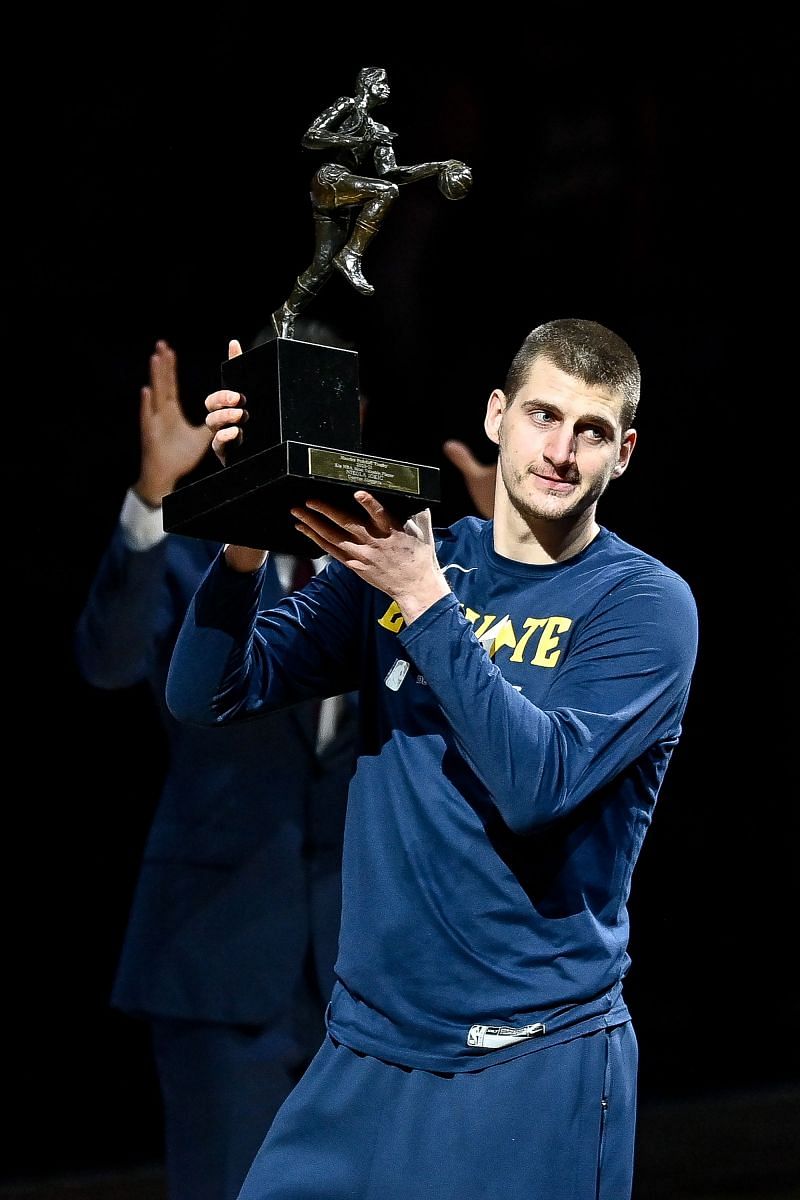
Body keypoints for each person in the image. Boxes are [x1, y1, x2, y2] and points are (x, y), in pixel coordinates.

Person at [166, 318, 699, 1200]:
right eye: (542, 415)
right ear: (496, 416)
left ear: (625, 453)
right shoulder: (421, 558)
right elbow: (210, 693)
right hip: (364, 1056)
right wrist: (248, 518)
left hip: (528, 1064)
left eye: (592, 430)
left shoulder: (643, 605)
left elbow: (537, 785)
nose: (560, 451)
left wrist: (423, 596)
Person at [74, 326, 360, 1200]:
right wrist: (154, 497)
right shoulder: (195, 553)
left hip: (356, 983)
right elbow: (109, 660)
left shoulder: (385, 567)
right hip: (219, 963)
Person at [271, 66, 470, 338]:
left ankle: (286, 313)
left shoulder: (381, 130)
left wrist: (436, 166)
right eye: (383, 82)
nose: (388, 87)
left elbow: (393, 173)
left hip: (342, 195)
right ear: (368, 83)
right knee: (385, 192)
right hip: (329, 178)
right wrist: (361, 138)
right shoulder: (348, 106)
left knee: (322, 265)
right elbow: (311, 137)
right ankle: (351, 255)